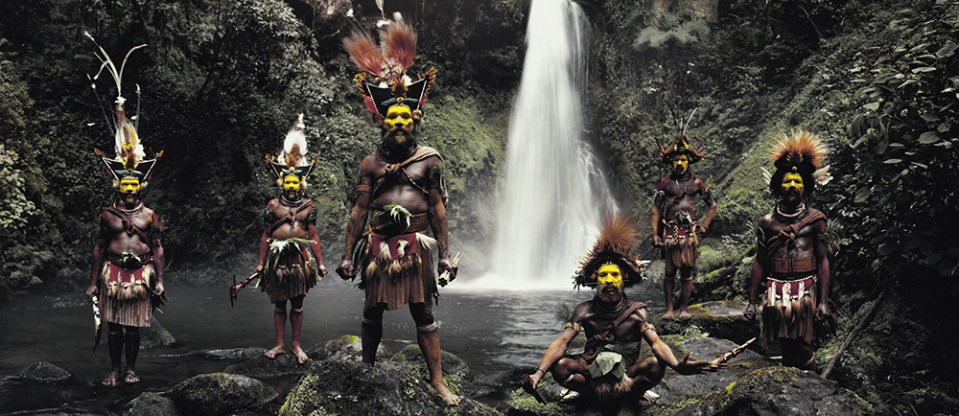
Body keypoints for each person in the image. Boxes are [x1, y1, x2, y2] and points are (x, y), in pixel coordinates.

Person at [337, 16, 461, 406]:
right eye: (393, 118)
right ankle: (368, 371)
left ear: (415, 118)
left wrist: (444, 255)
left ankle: (439, 381)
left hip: (416, 244)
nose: (400, 123)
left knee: (423, 313)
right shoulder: (369, 164)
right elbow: (359, 211)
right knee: (371, 311)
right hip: (378, 246)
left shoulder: (429, 161)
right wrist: (345, 255)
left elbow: (438, 210)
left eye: (405, 117)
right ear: (381, 120)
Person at [525, 215, 721, 415]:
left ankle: (626, 397)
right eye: (604, 275)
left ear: (623, 278)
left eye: (614, 275)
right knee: (560, 366)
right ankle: (596, 397)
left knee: (655, 364)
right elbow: (562, 343)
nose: (609, 280)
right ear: (595, 279)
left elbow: (656, 343)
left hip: (627, 374)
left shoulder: (637, 311)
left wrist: (677, 365)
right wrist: (539, 374)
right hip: (593, 374)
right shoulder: (584, 310)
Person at [85, 38, 165, 386]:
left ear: (141, 186)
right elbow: (100, 248)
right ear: (118, 185)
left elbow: (158, 247)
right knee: (114, 326)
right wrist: (91, 282)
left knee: (135, 327)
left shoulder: (150, 216)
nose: (130, 189)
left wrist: (160, 279)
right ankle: (114, 369)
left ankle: (131, 369)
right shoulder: (107, 216)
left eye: (134, 185)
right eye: (125, 185)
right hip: (113, 275)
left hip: (140, 275)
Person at [744, 129, 833, 371]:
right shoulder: (767, 222)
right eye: (787, 181)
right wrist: (752, 301)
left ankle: (815, 388)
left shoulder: (816, 219)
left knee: (803, 348)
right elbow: (760, 261)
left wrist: (823, 301)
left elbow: (823, 260)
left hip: (806, 290)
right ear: (778, 186)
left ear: (805, 187)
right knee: (784, 348)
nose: (792, 185)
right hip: (777, 291)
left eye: (797, 182)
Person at [248, 114, 327, 365]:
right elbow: (266, 235)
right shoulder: (272, 205)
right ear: (281, 182)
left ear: (301, 182)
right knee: (280, 305)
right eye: (288, 182)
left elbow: (312, 236)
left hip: (299, 264)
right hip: (278, 263)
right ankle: (280, 344)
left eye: (296, 181)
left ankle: (296, 345)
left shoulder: (308, 206)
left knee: (299, 304)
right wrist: (261, 263)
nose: (292, 185)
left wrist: (321, 262)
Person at [650, 133, 717, 320]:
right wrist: (655, 234)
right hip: (670, 234)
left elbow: (712, 204)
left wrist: (704, 224)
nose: (679, 163)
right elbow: (656, 208)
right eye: (676, 160)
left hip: (688, 234)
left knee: (687, 272)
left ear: (689, 162)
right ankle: (669, 309)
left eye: (683, 160)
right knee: (669, 272)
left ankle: (684, 308)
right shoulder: (665, 183)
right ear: (671, 162)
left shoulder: (697, 183)